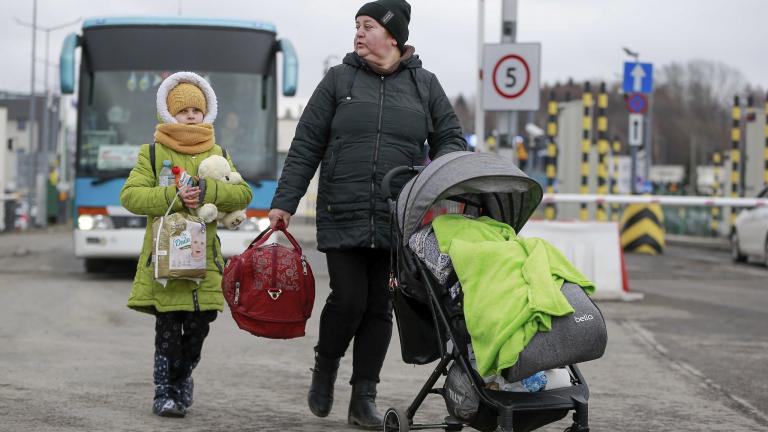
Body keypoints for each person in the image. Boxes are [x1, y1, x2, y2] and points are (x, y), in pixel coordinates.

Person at [268, 0, 466, 428]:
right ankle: (325, 368)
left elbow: (451, 137)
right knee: (349, 298)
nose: (358, 33)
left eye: (368, 25)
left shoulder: (424, 86)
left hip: (398, 216)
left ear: (393, 36)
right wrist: (284, 201)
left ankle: (363, 400)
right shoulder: (339, 80)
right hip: (343, 206)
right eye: (356, 25)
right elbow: (306, 144)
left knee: (380, 307)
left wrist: (436, 170)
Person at [120, 71, 252, 417]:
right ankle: (165, 392)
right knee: (167, 328)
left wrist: (209, 191)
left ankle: (182, 378)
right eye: (183, 110)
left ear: (207, 112)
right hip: (165, 262)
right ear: (168, 113)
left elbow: (243, 193)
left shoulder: (219, 152)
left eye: (197, 109)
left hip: (204, 262)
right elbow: (131, 196)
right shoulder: (151, 153)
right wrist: (174, 195)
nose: (190, 115)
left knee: (198, 326)